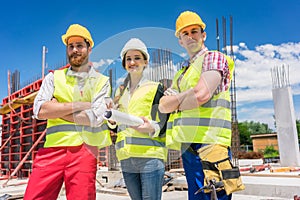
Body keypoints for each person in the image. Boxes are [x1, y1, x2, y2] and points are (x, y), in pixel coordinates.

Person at [159, 11, 243, 200]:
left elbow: (201, 94)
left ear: (203, 35)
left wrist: (176, 101)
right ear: (180, 40)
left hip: (210, 143)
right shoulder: (181, 73)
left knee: (214, 194)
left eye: (194, 31)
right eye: (185, 33)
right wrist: (182, 99)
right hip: (188, 146)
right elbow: (163, 106)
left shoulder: (214, 58)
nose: (190, 36)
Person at [24, 24, 112, 200]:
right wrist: (81, 104)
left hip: (84, 151)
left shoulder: (101, 82)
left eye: (79, 45)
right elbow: (39, 110)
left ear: (89, 48)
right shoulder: (53, 77)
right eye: (70, 46)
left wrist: (56, 109)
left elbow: (95, 119)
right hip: (51, 150)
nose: (74, 50)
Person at [109, 38, 168, 200]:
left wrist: (151, 128)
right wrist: (112, 121)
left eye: (137, 58)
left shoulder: (156, 87)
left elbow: (165, 122)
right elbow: (116, 127)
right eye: (128, 59)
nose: (132, 62)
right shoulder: (119, 92)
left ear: (145, 62)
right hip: (126, 158)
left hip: (150, 156)